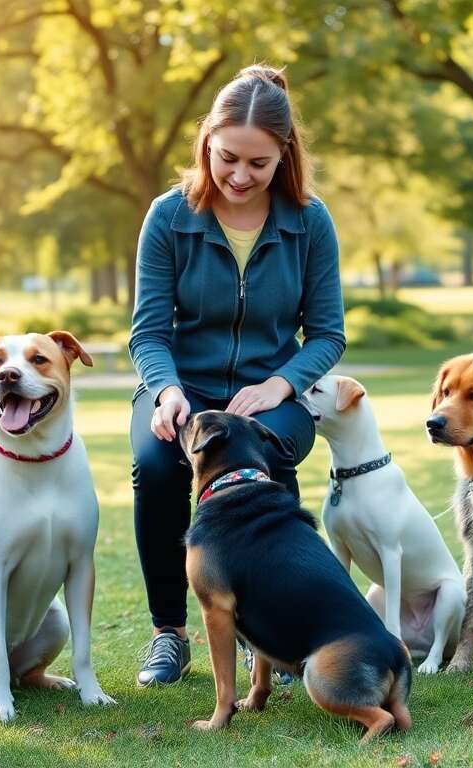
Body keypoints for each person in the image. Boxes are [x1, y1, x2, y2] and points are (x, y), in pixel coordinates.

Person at [127, 64, 345, 686]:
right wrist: (167, 391)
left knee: (268, 454)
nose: (241, 176)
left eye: (259, 164)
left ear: (284, 155)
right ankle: (169, 632)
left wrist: (281, 384)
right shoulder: (169, 217)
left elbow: (327, 333)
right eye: (228, 159)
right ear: (206, 144)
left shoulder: (309, 221)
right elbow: (148, 331)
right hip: (180, 386)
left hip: (271, 392)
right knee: (157, 461)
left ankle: (268, 634)